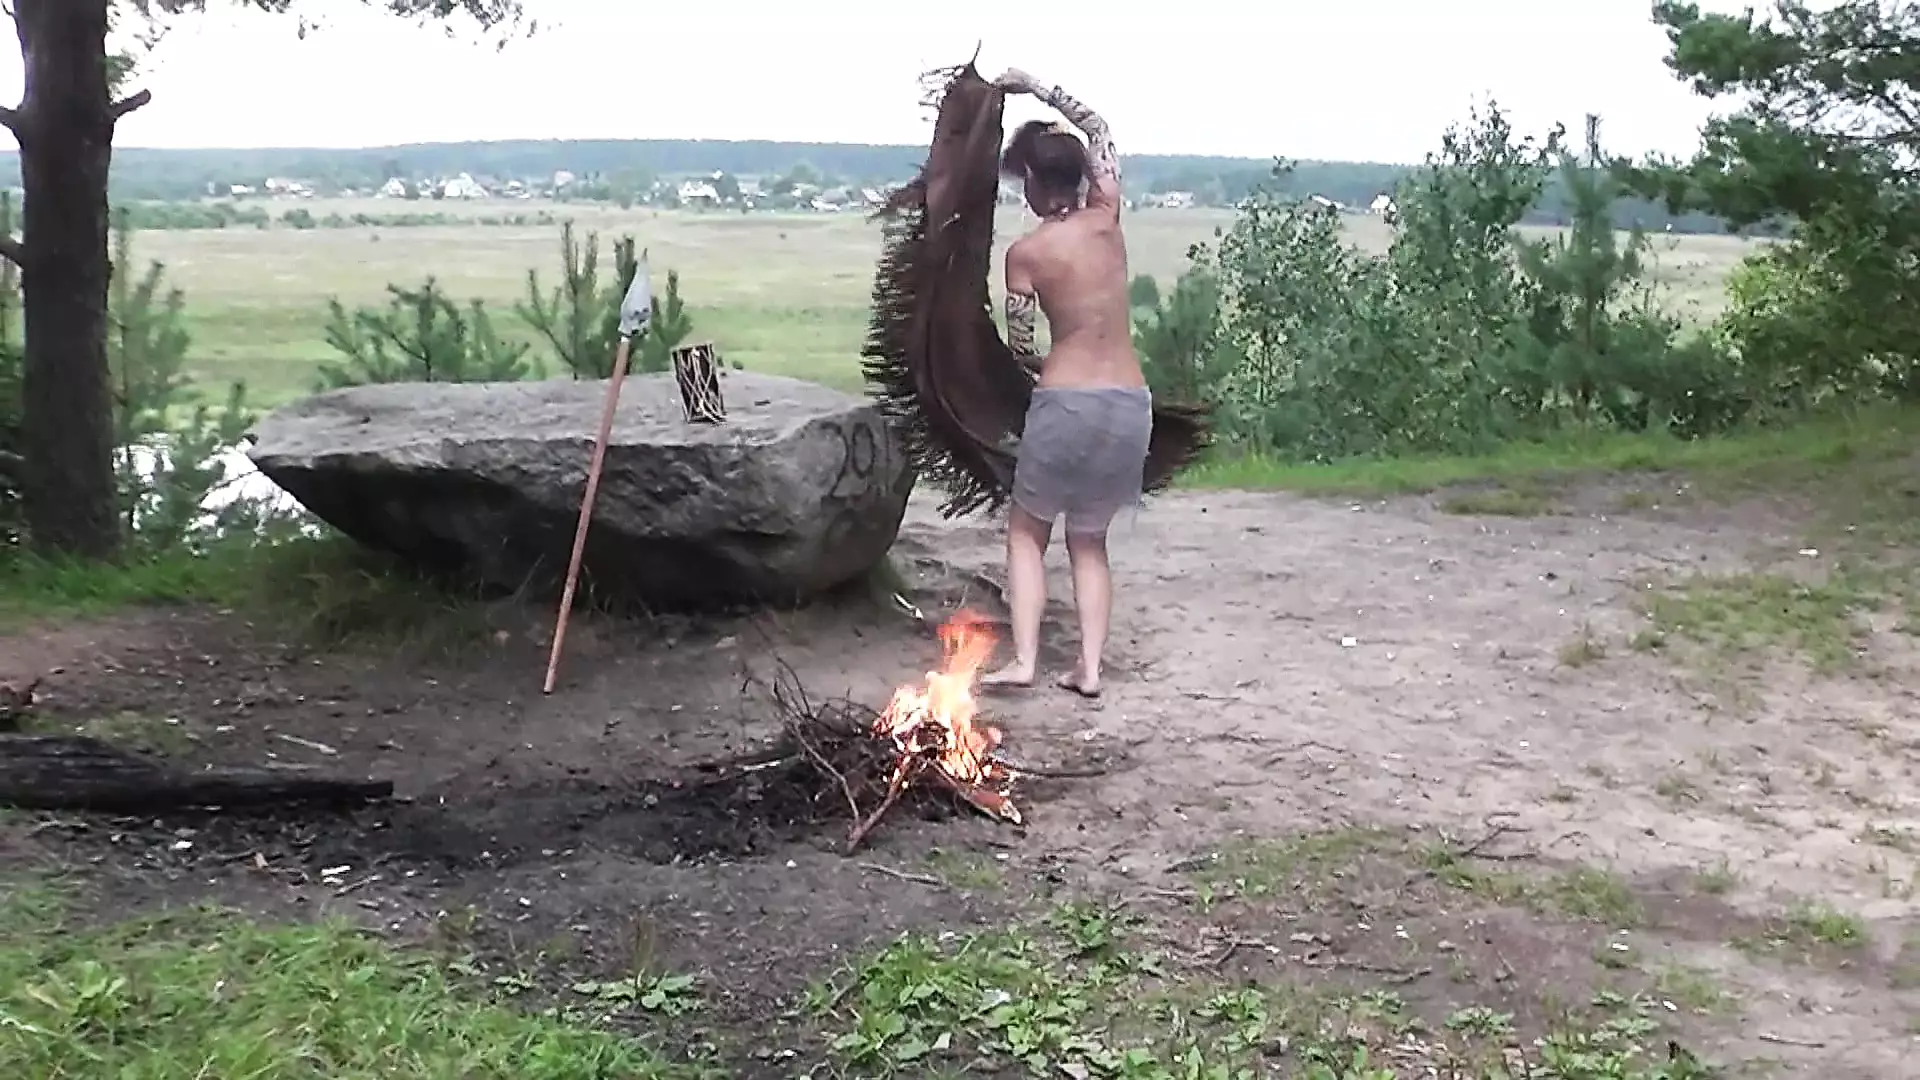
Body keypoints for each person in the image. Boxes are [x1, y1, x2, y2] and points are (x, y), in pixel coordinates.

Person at [978, 67, 1149, 701]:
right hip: (1131, 403)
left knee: (1028, 530)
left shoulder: (1025, 255)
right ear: (1079, 176)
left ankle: (1024, 661)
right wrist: (1036, 87)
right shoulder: (1108, 217)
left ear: (1030, 182)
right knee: (1090, 539)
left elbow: (1022, 346)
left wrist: (1042, 368)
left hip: (1066, 401)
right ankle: (1090, 670)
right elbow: (1098, 126)